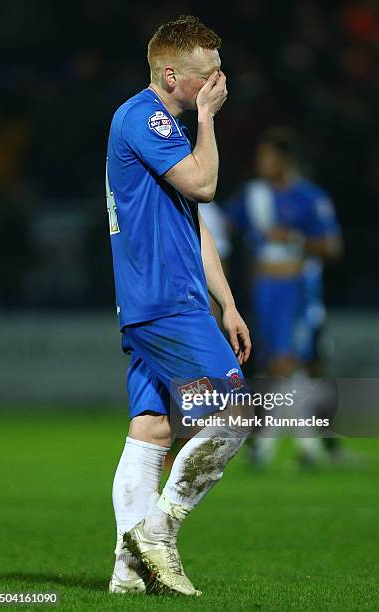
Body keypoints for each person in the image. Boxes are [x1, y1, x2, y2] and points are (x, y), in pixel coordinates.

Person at [106, 15, 251, 597]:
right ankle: (158, 532)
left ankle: (125, 574)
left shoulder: (164, 124)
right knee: (236, 412)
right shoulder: (146, 116)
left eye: (221, 73)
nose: (218, 84)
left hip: (168, 298)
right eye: (207, 76)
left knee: (153, 427)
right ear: (171, 75)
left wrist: (229, 303)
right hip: (164, 300)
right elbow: (204, 186)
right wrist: (210, 121)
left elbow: (196, 224)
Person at [226, 127, 342, 464]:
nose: (260, 162)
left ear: (285, 159)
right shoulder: (253, 195)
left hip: (297, 288)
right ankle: (309, 448)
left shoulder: (309, 197)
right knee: (281, 365)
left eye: (267, 156)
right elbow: (223, 223)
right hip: (265, 290)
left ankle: (271, 448)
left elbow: (331, 247)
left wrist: (293, 238)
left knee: (287, 363)